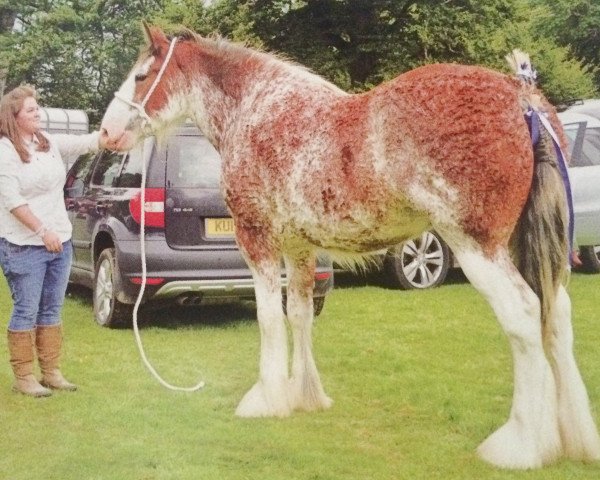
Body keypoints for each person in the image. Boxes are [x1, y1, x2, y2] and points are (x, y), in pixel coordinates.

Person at [0, 85, 109, 397]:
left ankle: (50, 372)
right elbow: (11, 200)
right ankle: (24, 376)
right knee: (26, 309)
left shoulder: (45, 142)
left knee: (52, 309)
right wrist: (42, 231)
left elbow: (85, 141)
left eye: (38, 108)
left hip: (59, 241)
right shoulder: (5, 151)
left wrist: (108, 137)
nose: (38, 114)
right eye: (31, 110)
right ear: (14, 117)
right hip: (23, 245)